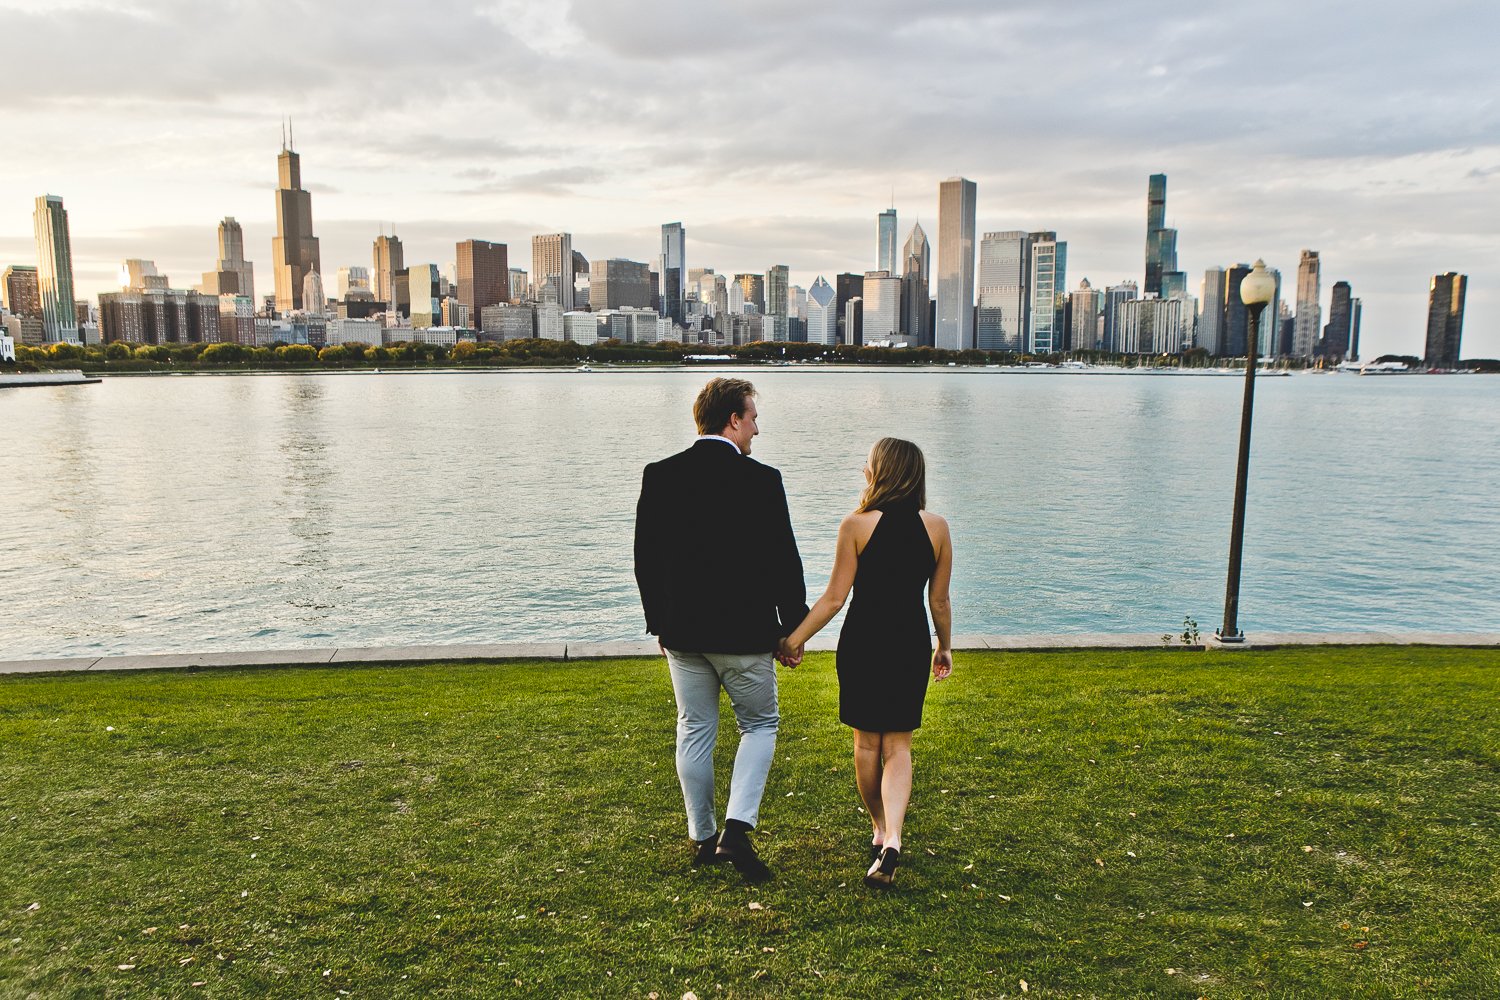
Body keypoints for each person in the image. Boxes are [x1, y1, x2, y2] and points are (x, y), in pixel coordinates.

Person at [633, 377, 809, 884]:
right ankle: (737, 828)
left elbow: (646, 558)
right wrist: (791, 628)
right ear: (733, 419)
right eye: (753, 417)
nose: (757, 427)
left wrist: (658, 622)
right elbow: (783, 560)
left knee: (694, 728)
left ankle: (703, 837)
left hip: (683, 632)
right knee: (759, 725)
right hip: (745, 633)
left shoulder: (660, 475)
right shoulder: (762, 480)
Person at [780, 437, 952, 889]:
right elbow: (939, 600)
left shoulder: (855, 525)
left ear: (879, 471)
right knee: (899, 745)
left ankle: (878, 827)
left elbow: (835, 598)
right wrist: (944, 646)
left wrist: (793, 639)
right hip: (908, 642)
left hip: (863, 642)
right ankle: (894, 835)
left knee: (867, 744)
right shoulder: (936, 528)